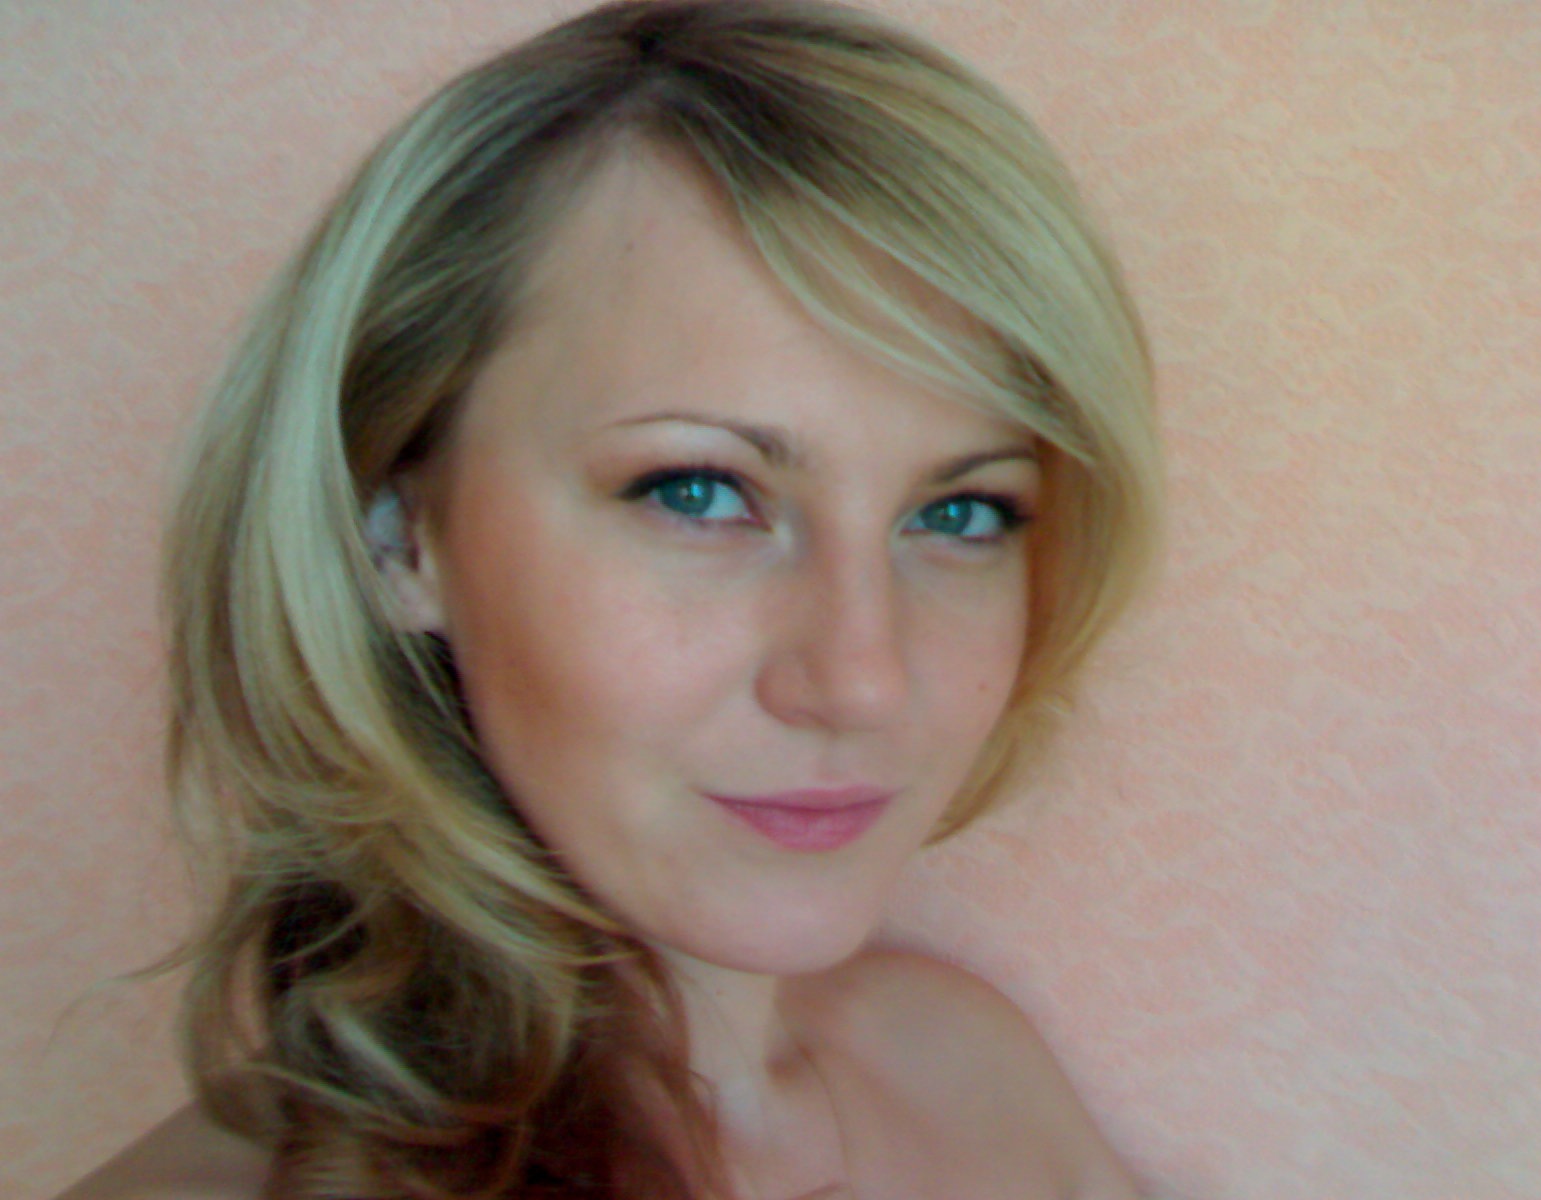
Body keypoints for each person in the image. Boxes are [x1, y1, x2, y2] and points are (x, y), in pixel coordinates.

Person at [59, 0, 1161, 1196]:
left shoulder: (966, 1070)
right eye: (697, 491)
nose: (862, 679)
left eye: (961, 514)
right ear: (396, 533)